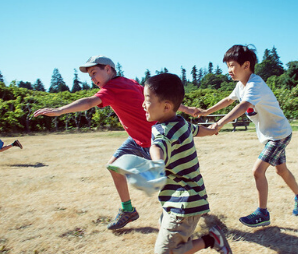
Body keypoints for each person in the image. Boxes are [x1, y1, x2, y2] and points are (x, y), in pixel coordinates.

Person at [33, 55, 197, 230]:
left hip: (153, 140)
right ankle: (128, 210)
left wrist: (60, 110)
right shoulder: (129, 82)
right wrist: (187, 109)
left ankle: (182, 208)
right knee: (113, 166)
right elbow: (161, 97)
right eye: (90, 76)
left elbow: (89, 102)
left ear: (108, 69)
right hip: (136, 139)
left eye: (95, 72)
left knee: (164, 180)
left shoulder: (111, 88)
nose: (93, 79)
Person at [195, 44, 298, 224]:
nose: (229, 70)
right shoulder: (242, 85)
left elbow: (243, 106)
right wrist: (205, 112)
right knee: (281, 170)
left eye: (232, 65)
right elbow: (229, 100)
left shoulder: (255, 84)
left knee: (258, 171)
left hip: (279, 134)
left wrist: (218, 124)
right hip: (275, 134)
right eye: (227, 66)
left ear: (246, 65)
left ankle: (262, 213)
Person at [143, 73, 233, 254]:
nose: (143, 104)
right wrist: (211, 131)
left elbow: (158, 147)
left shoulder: (164, 132)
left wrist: (155, 162)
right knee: (162, 224)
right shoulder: (180, 123)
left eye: (147, 100)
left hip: (184, 203)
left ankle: (211, 240)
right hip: (183, 198)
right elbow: (196, 130)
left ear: (166, 106)